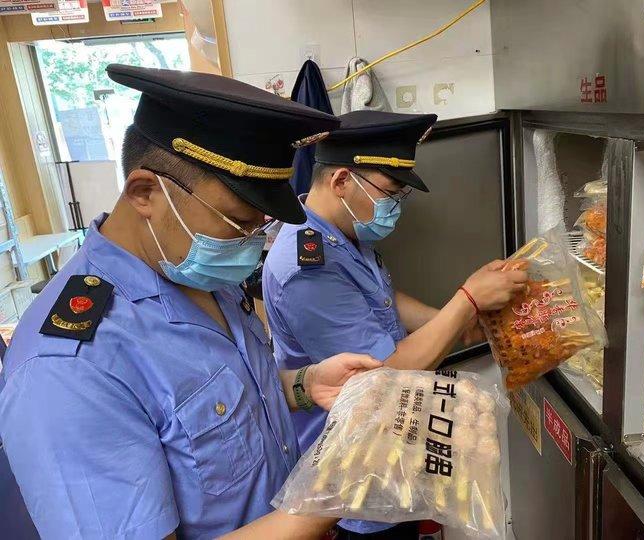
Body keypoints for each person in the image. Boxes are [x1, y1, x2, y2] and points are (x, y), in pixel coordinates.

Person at [0, 65, 383, 540]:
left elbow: (214, 411)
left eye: (260, 226)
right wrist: (337, 490)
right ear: (145, 192)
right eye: (239, 222)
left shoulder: (191, 265)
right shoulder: (71, 367)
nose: (251, 242)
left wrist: (304, 384)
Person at [262, 110, 528, 538]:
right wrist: (467, 301)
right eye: (389, 194)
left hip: (393, 440)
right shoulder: (307, 268)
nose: (394, 209)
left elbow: (383, 299)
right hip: (356, 472)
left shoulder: (342, 232)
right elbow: (383, 373)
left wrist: (455, 321)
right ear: (341, 181)